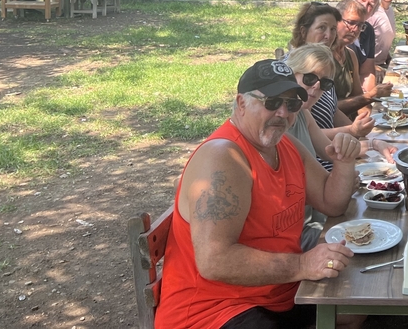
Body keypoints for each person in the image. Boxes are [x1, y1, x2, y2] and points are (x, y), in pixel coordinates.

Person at [155, 58, 365, 329]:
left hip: (276, 295)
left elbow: (331, 202)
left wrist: (345, 162)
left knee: (353, 309)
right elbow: (214, 260)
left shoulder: (286, 145)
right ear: (241, 103)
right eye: (271, 102)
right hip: (214, 311)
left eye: (291, 104)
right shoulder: (224, 158)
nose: (282, 112)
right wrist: (302, 264)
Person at [283, 44, 397, 250]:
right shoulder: (278, 125)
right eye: (309, 78)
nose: (316, 87)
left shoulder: (302, 113)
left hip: (317, 213)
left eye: (325, 83)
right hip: (302, 228)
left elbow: (332, 151)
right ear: (292, 74)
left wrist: (373, 144)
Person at [287, 3, 375, 162]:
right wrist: (353, 131)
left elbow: (333, 111)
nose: (329, 35)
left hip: (332, 154)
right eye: (322, 28)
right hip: (318, 160)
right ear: (303, 31)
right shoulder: (291, 71)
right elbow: (305, 135)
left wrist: (362, 138)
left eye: (333, 29)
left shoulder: (325, 67)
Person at [334, 0, 392, 116]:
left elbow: (359, 100)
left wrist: (370, 122)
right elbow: (329, 109)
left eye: (360, 25)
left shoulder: (351, 55)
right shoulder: (323, 59)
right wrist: (371, 95)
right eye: (350, 23)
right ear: (335, 21)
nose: (355, 30)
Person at [367, 0, 402, 65]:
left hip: (382, 65)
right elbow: (358, 48)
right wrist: (372, 67)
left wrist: (388, 59)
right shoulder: (370, 12)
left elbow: (381, 44)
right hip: (368, 68)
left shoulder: (390, 11)